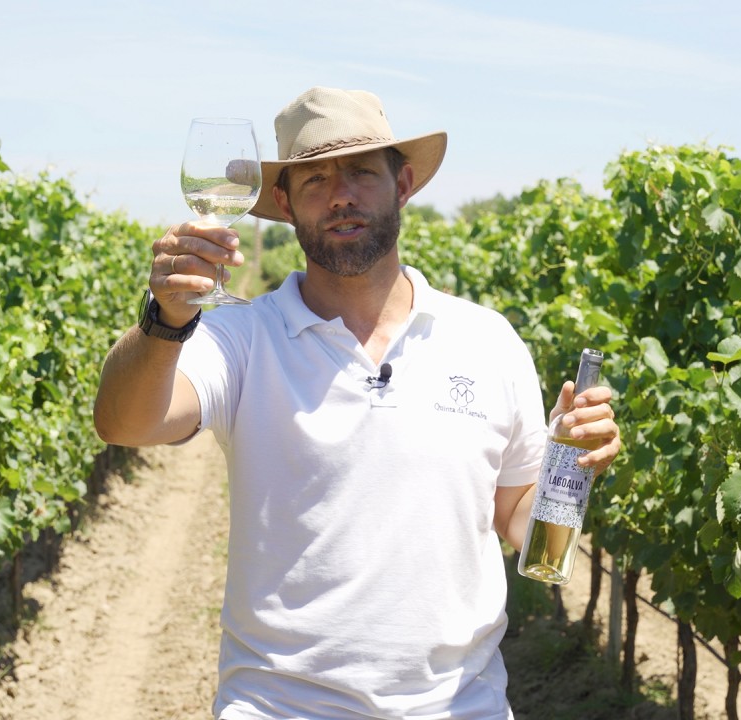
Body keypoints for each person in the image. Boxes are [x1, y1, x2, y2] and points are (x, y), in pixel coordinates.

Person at [93, 86, 621, 720]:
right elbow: (124, 423)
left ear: (402, 186)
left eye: (362, 173)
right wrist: (165, 319)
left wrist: (574, 470)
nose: (341, 194)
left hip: (460, 707)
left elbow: (519, 522)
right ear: (284, 204)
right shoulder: (240, 337)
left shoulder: (488, 340)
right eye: (315, 180)